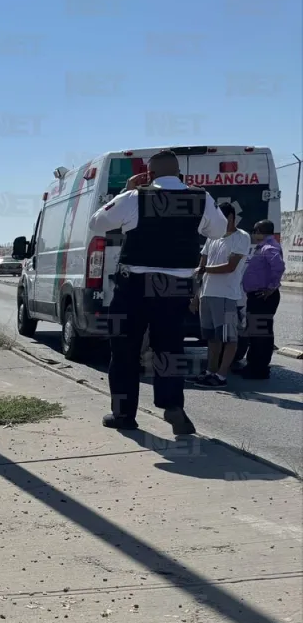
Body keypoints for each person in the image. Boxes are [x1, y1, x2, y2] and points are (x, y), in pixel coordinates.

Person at [86, 149, 225, 435]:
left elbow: (97, 223)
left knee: (124, 350)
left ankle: (124, 415)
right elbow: (219, 230)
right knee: (170, 349)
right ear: (179, 174)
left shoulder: (135, 197)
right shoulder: (201, 198)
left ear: (149, 174)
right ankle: (172, 404)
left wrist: (126, 191)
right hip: (174, 288)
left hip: (133, 285)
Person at [193, 203, 251, 387]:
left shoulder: (241, 237)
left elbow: (230, 266)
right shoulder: (213, 238)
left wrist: (203, 269)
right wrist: (196, 296)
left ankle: (222, 375)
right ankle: (210, 372)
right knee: (212, 337)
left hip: (226, 296)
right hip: (207, 295)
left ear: (231, 218)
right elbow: (202, 267)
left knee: (228, 337)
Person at [231, 219, 285, 379]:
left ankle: (258, 369)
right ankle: (254, 366)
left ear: (261, 231)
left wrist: (271, 287)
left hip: (263, 297)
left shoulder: (269, 247)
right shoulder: (264, 247)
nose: (253, 234)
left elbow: (279, 266)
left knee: (260, 334)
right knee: (256, 333)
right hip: (258, 296)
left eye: (255, 231)